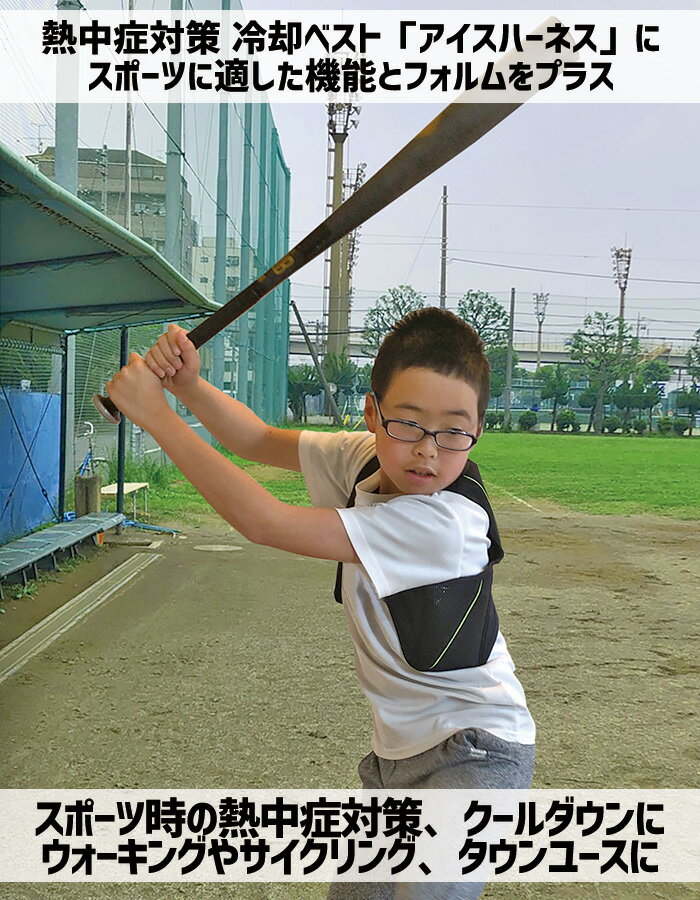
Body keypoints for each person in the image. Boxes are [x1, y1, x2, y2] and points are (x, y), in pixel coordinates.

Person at [106, 308, 536, 899]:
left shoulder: (442, 523)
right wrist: (188, 386)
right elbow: (255, 439)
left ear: (479, 430)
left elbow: (264, 520)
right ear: (372, 413)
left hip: (478, 751)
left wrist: (156, 415)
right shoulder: (363, 456)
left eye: (454, 431)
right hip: (396, 759)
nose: (427, 453)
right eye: (408, 424)